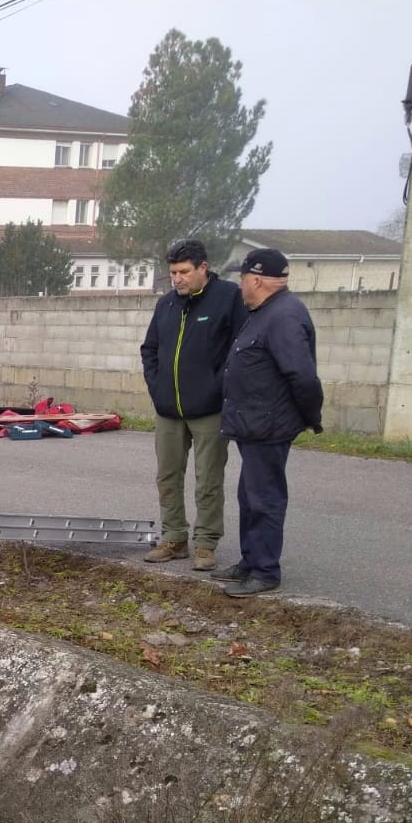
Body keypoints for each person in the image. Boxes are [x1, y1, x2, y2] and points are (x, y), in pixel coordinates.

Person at [214, 248, 325, 598]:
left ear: (256, 279)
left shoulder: (283, 316)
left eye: (242, 278)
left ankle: (265, 570)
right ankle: (250, 562)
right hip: (255, 424)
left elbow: (303, 376)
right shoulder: (264, 312)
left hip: (269, 424)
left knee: (265, 498)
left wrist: (310, 417)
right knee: (249, 496)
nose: (240, 285)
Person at [139, 239, 247, 571]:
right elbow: (150, 350)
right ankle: (173, 538)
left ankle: (205, 544)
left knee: (208, 479)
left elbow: (240, 350)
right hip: (169, 410)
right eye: (173, 272)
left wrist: (219, 389)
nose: (178, 279)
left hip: (210, 411)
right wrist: (158, 390)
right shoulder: (166, 305)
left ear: (203, 267)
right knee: (167, 476)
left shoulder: (228, 298)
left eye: (184, 271)